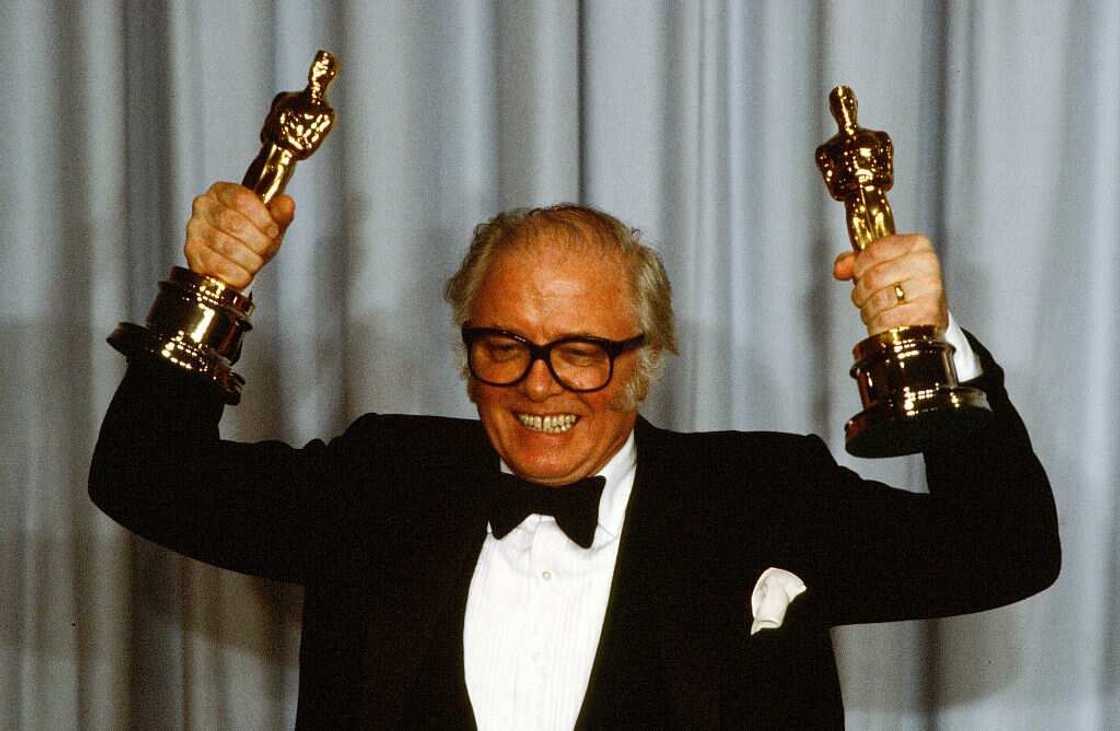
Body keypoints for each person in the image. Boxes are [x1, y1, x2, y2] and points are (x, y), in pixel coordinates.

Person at [90, 182, 1060, 729]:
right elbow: (145, 477)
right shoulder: (378, 479)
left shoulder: (758, 493)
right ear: (466, 350)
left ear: (647, 357)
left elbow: (1003, 545)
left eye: (584, 349)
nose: (540, 382)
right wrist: (212, 286)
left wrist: (927, 344)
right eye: (504, 343)